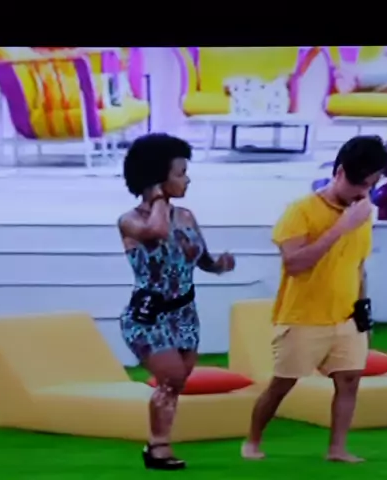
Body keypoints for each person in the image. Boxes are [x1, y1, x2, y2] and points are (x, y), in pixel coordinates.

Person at [241, 135, 387, 463]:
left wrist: (363, 315)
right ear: (339, 172)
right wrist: (341, 227)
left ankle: (337, 449)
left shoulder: (364, 213)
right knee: (282, 384)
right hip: (303, 317)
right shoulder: (301, 211)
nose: (363, 192)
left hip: (346, 316)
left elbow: (358, 266)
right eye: (359, 184)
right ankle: (252, 441)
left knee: (349, 381)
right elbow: (295, 264)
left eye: (371, 184)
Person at [118, 133, 236, 471]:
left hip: (185, 314)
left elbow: (202, 258)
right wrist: (157, 197)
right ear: (158, 178)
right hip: (149, 316)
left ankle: (158, 444)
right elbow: (155, 232)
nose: (187, 180)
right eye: (180, 173)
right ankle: (158, 447)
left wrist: (220, 265)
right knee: (170, 377)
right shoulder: (131, 220)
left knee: (177, 382)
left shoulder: (186, 216)